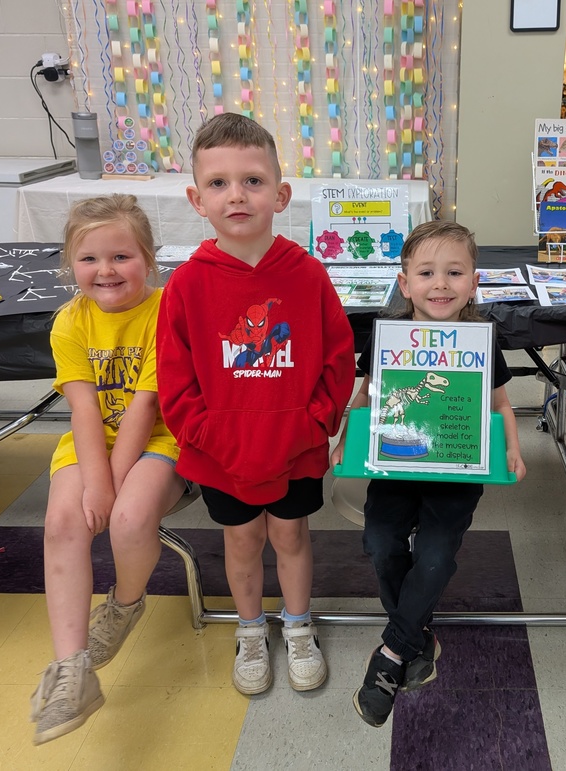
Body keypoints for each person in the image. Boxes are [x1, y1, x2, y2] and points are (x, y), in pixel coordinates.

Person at [156, 113, 355, 696]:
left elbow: (338, 359)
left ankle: (296, 626)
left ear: (280, 194)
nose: (236, 195)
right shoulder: (187, 286)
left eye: (252, 180)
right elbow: (174, 380)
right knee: (241, 541)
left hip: (295, 447)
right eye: (218, 183)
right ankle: (249, 629)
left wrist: (315, 422)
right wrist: (209, 436)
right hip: (220, 454)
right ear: (196, 199)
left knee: (291, 537)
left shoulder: (308, 274)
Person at [331, 220, 527, 728]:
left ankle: (394, 653)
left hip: (457, 468)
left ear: (474, 282)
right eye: (426, 273)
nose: (440, 284)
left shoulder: (483, 341)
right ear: (405, 283)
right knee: (379, 542)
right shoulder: (386, 336)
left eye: (454, 272)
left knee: (437, 556)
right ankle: (418, 636)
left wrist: (513, 448)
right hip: (395, 467)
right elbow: (368, 394)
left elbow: (503, 403)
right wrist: (345, 441)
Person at [31, 194, 187, 745]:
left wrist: (111, 487)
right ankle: (71, 668)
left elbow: (146, 406)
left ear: (148, 258)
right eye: (89, 259)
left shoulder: (167, 310)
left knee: (127, 517)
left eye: (121, 256)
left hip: (163, 438)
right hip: (91, 439)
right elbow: (83, 409)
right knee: (62, 524)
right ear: (70, 265)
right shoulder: (69, 322)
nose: (105, 271)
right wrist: (93, 481)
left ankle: (125, 604)